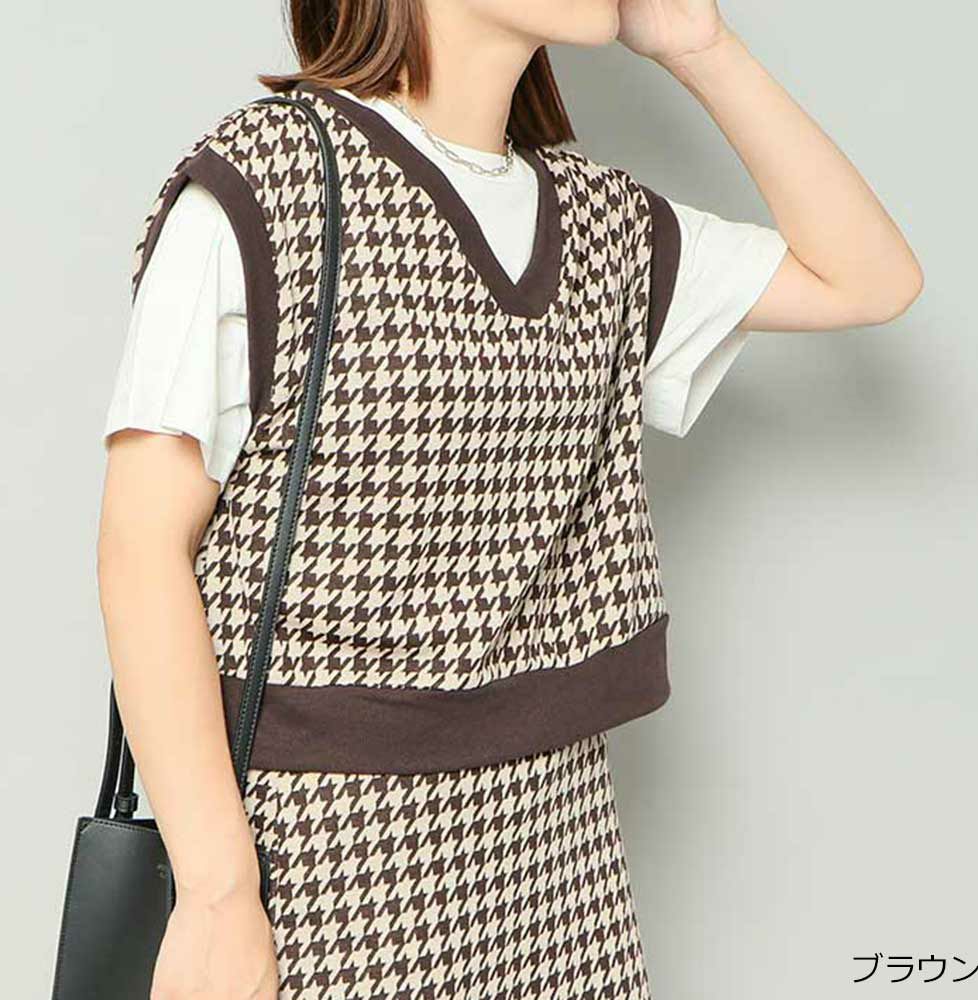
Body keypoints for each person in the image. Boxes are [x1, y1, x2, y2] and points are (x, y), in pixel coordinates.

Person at [97, 1, 923, 998]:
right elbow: (142, 550)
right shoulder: (269, 183)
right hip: (319, 849)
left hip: (560, 846)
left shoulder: (603, 225)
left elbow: (868, 279)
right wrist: (218, 893)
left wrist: (704, 49)